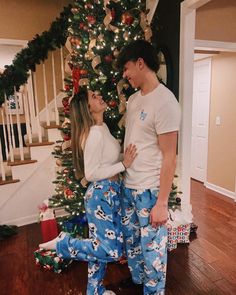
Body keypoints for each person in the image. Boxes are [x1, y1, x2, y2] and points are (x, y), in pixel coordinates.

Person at [39, 88, 137, 295]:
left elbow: (107, 160)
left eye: (97, 94)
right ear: (87, 107)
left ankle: (95, 291)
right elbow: (91, 173)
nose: (100, 96)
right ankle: (64, 242)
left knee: (97, 249)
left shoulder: (102, 128)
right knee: (111, 250)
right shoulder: (93, 134)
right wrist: (124, 165)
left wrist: (124, 158)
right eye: (94, 96)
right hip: (101, 195)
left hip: (110, 192)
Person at [116, 40, 181, 295]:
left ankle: (154, 291)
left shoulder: (165, 102)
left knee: (152, 251)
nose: (125, 74)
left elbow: (170, 156)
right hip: (128, 186)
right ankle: (138, 282)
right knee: (132, 245)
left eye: (126, 68)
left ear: (140, 63)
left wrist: (162, 202)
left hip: (149, 191)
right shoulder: (133, 100)